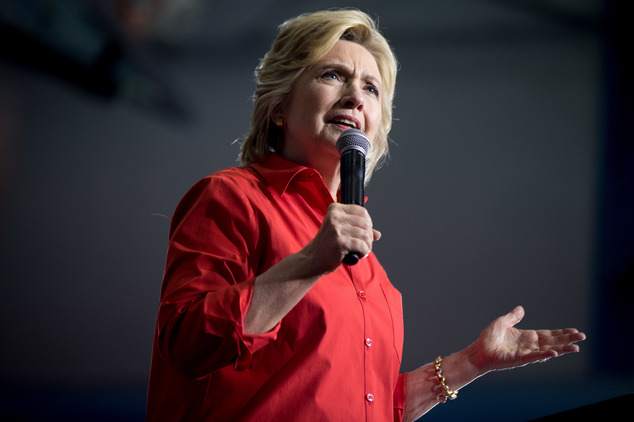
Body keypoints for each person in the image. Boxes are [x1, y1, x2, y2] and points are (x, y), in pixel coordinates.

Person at [145, 9, 586, 422]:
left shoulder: (368, 268)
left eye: (371, 88)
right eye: (333, 74)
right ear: (279, 106)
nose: (356, 95)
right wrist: (308, 264)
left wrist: (469, 362)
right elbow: (186, 343)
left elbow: (369, 406)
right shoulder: (232, 198)